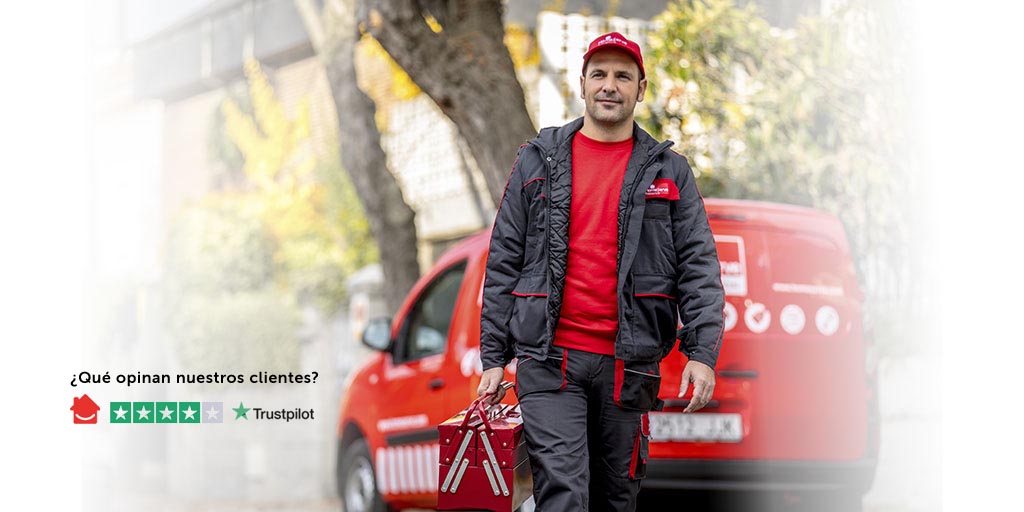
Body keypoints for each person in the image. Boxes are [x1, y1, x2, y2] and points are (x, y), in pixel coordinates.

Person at [477, 32, 725, 512]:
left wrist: (702, 351)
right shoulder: (539, 159)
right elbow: (504, 257)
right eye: (600, 75)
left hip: (628, 367)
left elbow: (699, 264)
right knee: (564, 495)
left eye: (622, 76)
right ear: (583, 84)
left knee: (616, 499)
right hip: (550, 361)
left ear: (641, 88)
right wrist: (493, 356)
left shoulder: (669, 171)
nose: (610, 86)